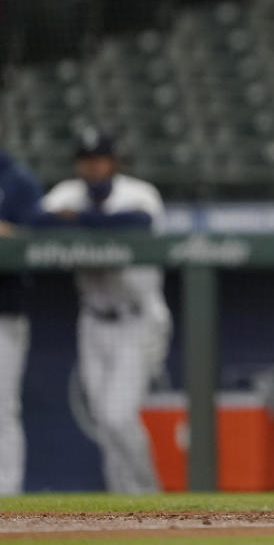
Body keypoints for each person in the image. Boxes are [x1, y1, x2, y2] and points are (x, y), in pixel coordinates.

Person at [32, 129, 171, 493]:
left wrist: (76, 220)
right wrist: (80, 218)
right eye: (86, 161)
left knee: (117, 415)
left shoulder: (140, 193)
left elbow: (138, 223)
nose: (92, 168)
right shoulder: (67, 192)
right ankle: (121, 507)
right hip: (93, 320)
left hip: (137, 317)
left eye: (99, 160)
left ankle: (148, 494)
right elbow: (37, 222)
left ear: (114, 162)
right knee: (104, 420)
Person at [0, 142, 44, 495]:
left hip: (5, 311)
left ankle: (7, 497)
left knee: (2, 405)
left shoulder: (18, 180)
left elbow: (38, 238)